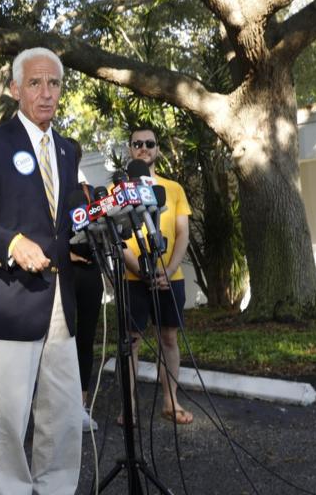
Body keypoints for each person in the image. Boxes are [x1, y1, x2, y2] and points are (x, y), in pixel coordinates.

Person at [0, 47, 82, 494]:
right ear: (15, 89)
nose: (46, 93)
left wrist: (90, 227)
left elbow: (66, 218)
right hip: (11, 299)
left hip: (61, 301)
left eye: (54, 84)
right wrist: (12, 243)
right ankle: (11, 488)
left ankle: (56, 488)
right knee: (9, 412)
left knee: (64, 411)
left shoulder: (68, 150)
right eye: (35, 83)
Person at [123, 126, 194, 425]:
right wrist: (141, 270)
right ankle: (129, 409)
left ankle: (170, 402)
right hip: (133, 279)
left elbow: (182, 234)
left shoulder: (173, 189)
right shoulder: (120, 191)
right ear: (130, 150)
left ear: (158, 149)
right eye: (137, 144)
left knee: (168, 338)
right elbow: (117, 238)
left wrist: (168, 269)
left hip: (170, 278)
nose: (143, 148)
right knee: (132, 342)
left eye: (149, 143)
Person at [66, 139, 104, 433]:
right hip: (61, 273)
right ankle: (54, 406)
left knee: (86, 339)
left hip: (90, 274)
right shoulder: (47, 188)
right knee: (58, 340)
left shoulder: (89, 191)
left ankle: (79, 406)